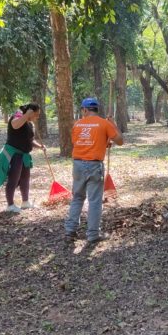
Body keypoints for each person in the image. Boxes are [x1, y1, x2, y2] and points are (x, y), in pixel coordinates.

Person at [64, 98, 124, 245]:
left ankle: (70, 231)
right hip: (94, 165)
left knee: (77, 198)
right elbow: (120, 141)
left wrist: (102, 142)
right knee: (95, 201)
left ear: (85, 110)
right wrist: (113, 124)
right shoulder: (104, 123)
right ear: (96, 109)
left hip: (78, 164)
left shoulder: (77, 124)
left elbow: (78, 143)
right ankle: (93, 234)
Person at [0, 103, 46, 213]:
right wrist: (27, 115)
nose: (38, 116)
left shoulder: (29, 124)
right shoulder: (18, 116)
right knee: (13, 179)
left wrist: (40, 146)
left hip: (24, 155)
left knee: (25, 178)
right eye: (36, 114)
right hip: (14, 154)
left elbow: (30, 140)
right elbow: (15, 125)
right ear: (30, 111)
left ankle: (25, 202)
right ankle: (10, 205)